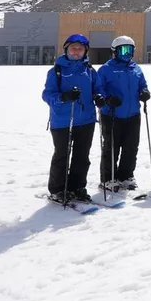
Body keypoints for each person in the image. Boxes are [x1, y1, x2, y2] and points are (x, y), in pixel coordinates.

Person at [41, 34, 98, 203]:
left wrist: (101, 97)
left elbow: (98, 88)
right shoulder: (56, 71)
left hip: (86, 120)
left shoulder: (90, 70)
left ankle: (77, 186)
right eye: (73, 48)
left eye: (80, 49)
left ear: (85, 51)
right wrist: (63, 97)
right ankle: (57, 189)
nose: (76, 51)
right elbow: (47, 94)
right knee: (62, 155)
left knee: (82, 156)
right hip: (62, 121)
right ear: (66, 49)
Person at [93, 35, 150, 192]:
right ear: (114, 52)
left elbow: (142, 84)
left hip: (133, 114)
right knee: (111, 147)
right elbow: (98, 89)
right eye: (123, 50)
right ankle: (108, 178)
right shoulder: (106, 69)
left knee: (131, 146)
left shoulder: (136, 68)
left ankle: (126, 175)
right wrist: (107, 98)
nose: (127, 53)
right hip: (112, 114)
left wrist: (144, 92)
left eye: (129, 50)